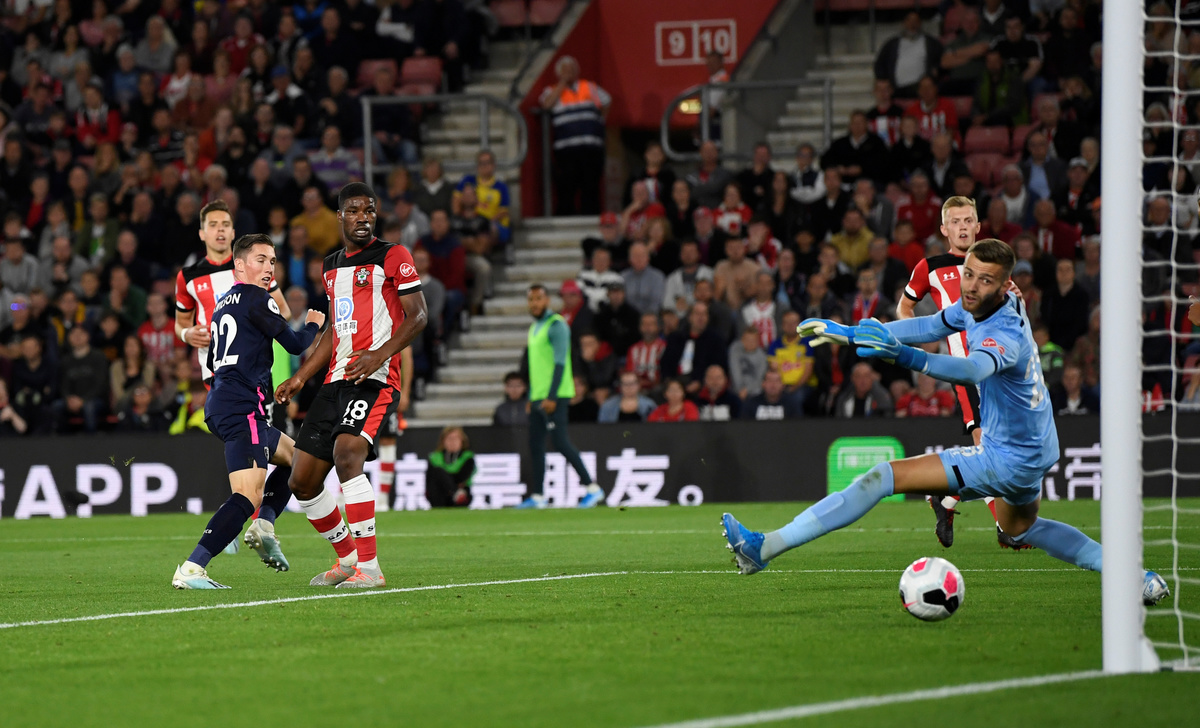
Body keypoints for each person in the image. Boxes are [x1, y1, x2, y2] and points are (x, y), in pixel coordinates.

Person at [726, 239, 1170, 613]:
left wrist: (903, 357)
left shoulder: (1004, 333)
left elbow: (973, 370)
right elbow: (931, 324)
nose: (971, 286)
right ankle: (1136, 578)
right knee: (1021, 528)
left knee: (882, 478)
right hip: (1036, 446)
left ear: (1005, 286)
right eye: (969, 274)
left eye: (985, 280)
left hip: (1005, 457)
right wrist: (848, 332)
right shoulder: (987, 302)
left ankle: (763, 549)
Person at [274, 182, 428, 589]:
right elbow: (334, 331)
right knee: (302, 480)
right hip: (334, 381)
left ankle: (371, 569)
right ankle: (347, 560)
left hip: (374, 379)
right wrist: (301, 376)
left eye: (370, 210)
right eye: (355, 211)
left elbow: (418, 316)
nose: (363, 217)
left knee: (347, 457)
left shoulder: (393, 256)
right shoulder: (331, 266)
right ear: (340, 216)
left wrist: (379, 355)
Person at [171, 233, 324, 589]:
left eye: (272, 261)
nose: (269, 267)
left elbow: (214, 360)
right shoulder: (257, 298)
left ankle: (264, 525)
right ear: (239, 265)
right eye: (260, 260)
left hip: (223, 401)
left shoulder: (223, 303)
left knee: (297, 459)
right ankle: (193, 567)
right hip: (242, 407)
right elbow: (295, 343)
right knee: (247, 495)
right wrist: (314, 323)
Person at [896, 195, 1017, 549]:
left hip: (1001, 368)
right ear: (944, 229)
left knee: (1000, 452)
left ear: (978, 226)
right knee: (985, 445)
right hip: (967, 371)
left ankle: (946, 497)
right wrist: (919, 341)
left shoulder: (994, 262)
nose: (962, 227)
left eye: (968, 221)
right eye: (956, 222)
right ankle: (1005, 527)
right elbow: (905, 307)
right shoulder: (930, 267)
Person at [175, 199, 291, 388]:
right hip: (214, 370)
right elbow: (181, 324)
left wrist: (256, 330)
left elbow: (284, 311)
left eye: (225, 224)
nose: (220, 229)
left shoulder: (254, 266)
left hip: (255, 366)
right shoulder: (187, 277)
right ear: (202, 234)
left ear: (233, 232)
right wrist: (187, 334)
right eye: (213, 225)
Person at [517, 284, 605, 509]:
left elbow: (560, 363)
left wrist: (552, 396)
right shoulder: (535, 327)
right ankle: (538, 496)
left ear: (547, 300)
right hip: (539, 395)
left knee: (560, 441)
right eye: (531, 299)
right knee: (536, 444)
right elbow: (536, 368)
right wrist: (532, 397)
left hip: (554, 396)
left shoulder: (556, 325)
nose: (534, 303)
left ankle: (592, 488)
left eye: (538, 298)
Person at [540, 56, 610, 216]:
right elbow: (546, 105)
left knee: (591, 185)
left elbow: (607, 101)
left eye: (572, 69)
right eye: (565, 70)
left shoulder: (589, 86)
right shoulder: (552, 90)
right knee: (566, 187)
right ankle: (566, 218)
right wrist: (562, 84)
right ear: (558, 73)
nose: (569, 73)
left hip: (591, 147)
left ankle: (591, 217)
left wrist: (599, 120)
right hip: (566, 150)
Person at [427, 426, 475, 508]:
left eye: (456, 438)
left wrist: (445, 478)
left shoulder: (467, 457)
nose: (452, 442)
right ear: (443, 441)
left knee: (439, 473)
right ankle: (456, 493)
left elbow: (461, 478)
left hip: (461, 496)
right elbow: (429, 479)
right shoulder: (435, 458)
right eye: (449, 438)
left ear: (462, 441)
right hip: (439, 497)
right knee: (437, 472)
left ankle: (457, 494)